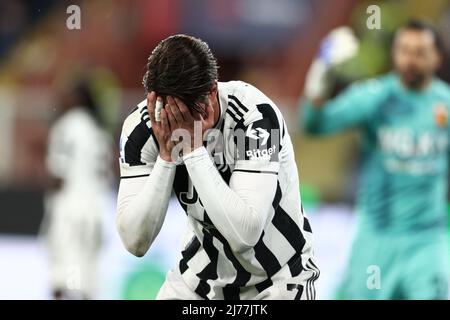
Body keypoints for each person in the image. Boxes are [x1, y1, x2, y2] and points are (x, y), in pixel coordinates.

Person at [116, 34, 319, 300]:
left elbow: (245, 235)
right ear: (154, 100)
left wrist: (192, 149)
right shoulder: (144, 128)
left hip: (278, 278)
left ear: (212, 91)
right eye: (171, 113)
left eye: (190, 114)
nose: (180, 124)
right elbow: (134, 242)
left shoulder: (255, 118)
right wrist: (166, 158)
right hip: (202, 278)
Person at [301, 20, 450, 299]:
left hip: (426, 241)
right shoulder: (375, 96)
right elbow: (314, 124)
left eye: (419, 52)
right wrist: (321, 73)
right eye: (403, 50)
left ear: (437, 57)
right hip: (377, 238)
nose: (410, 59)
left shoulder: (446, 104)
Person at [41, 78, 111, 299]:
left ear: (78, 98)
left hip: (70, 209)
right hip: (96, 210)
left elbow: (57, 175)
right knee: (87, 278)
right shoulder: (100, 132)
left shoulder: (66, 126)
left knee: (66, 276)